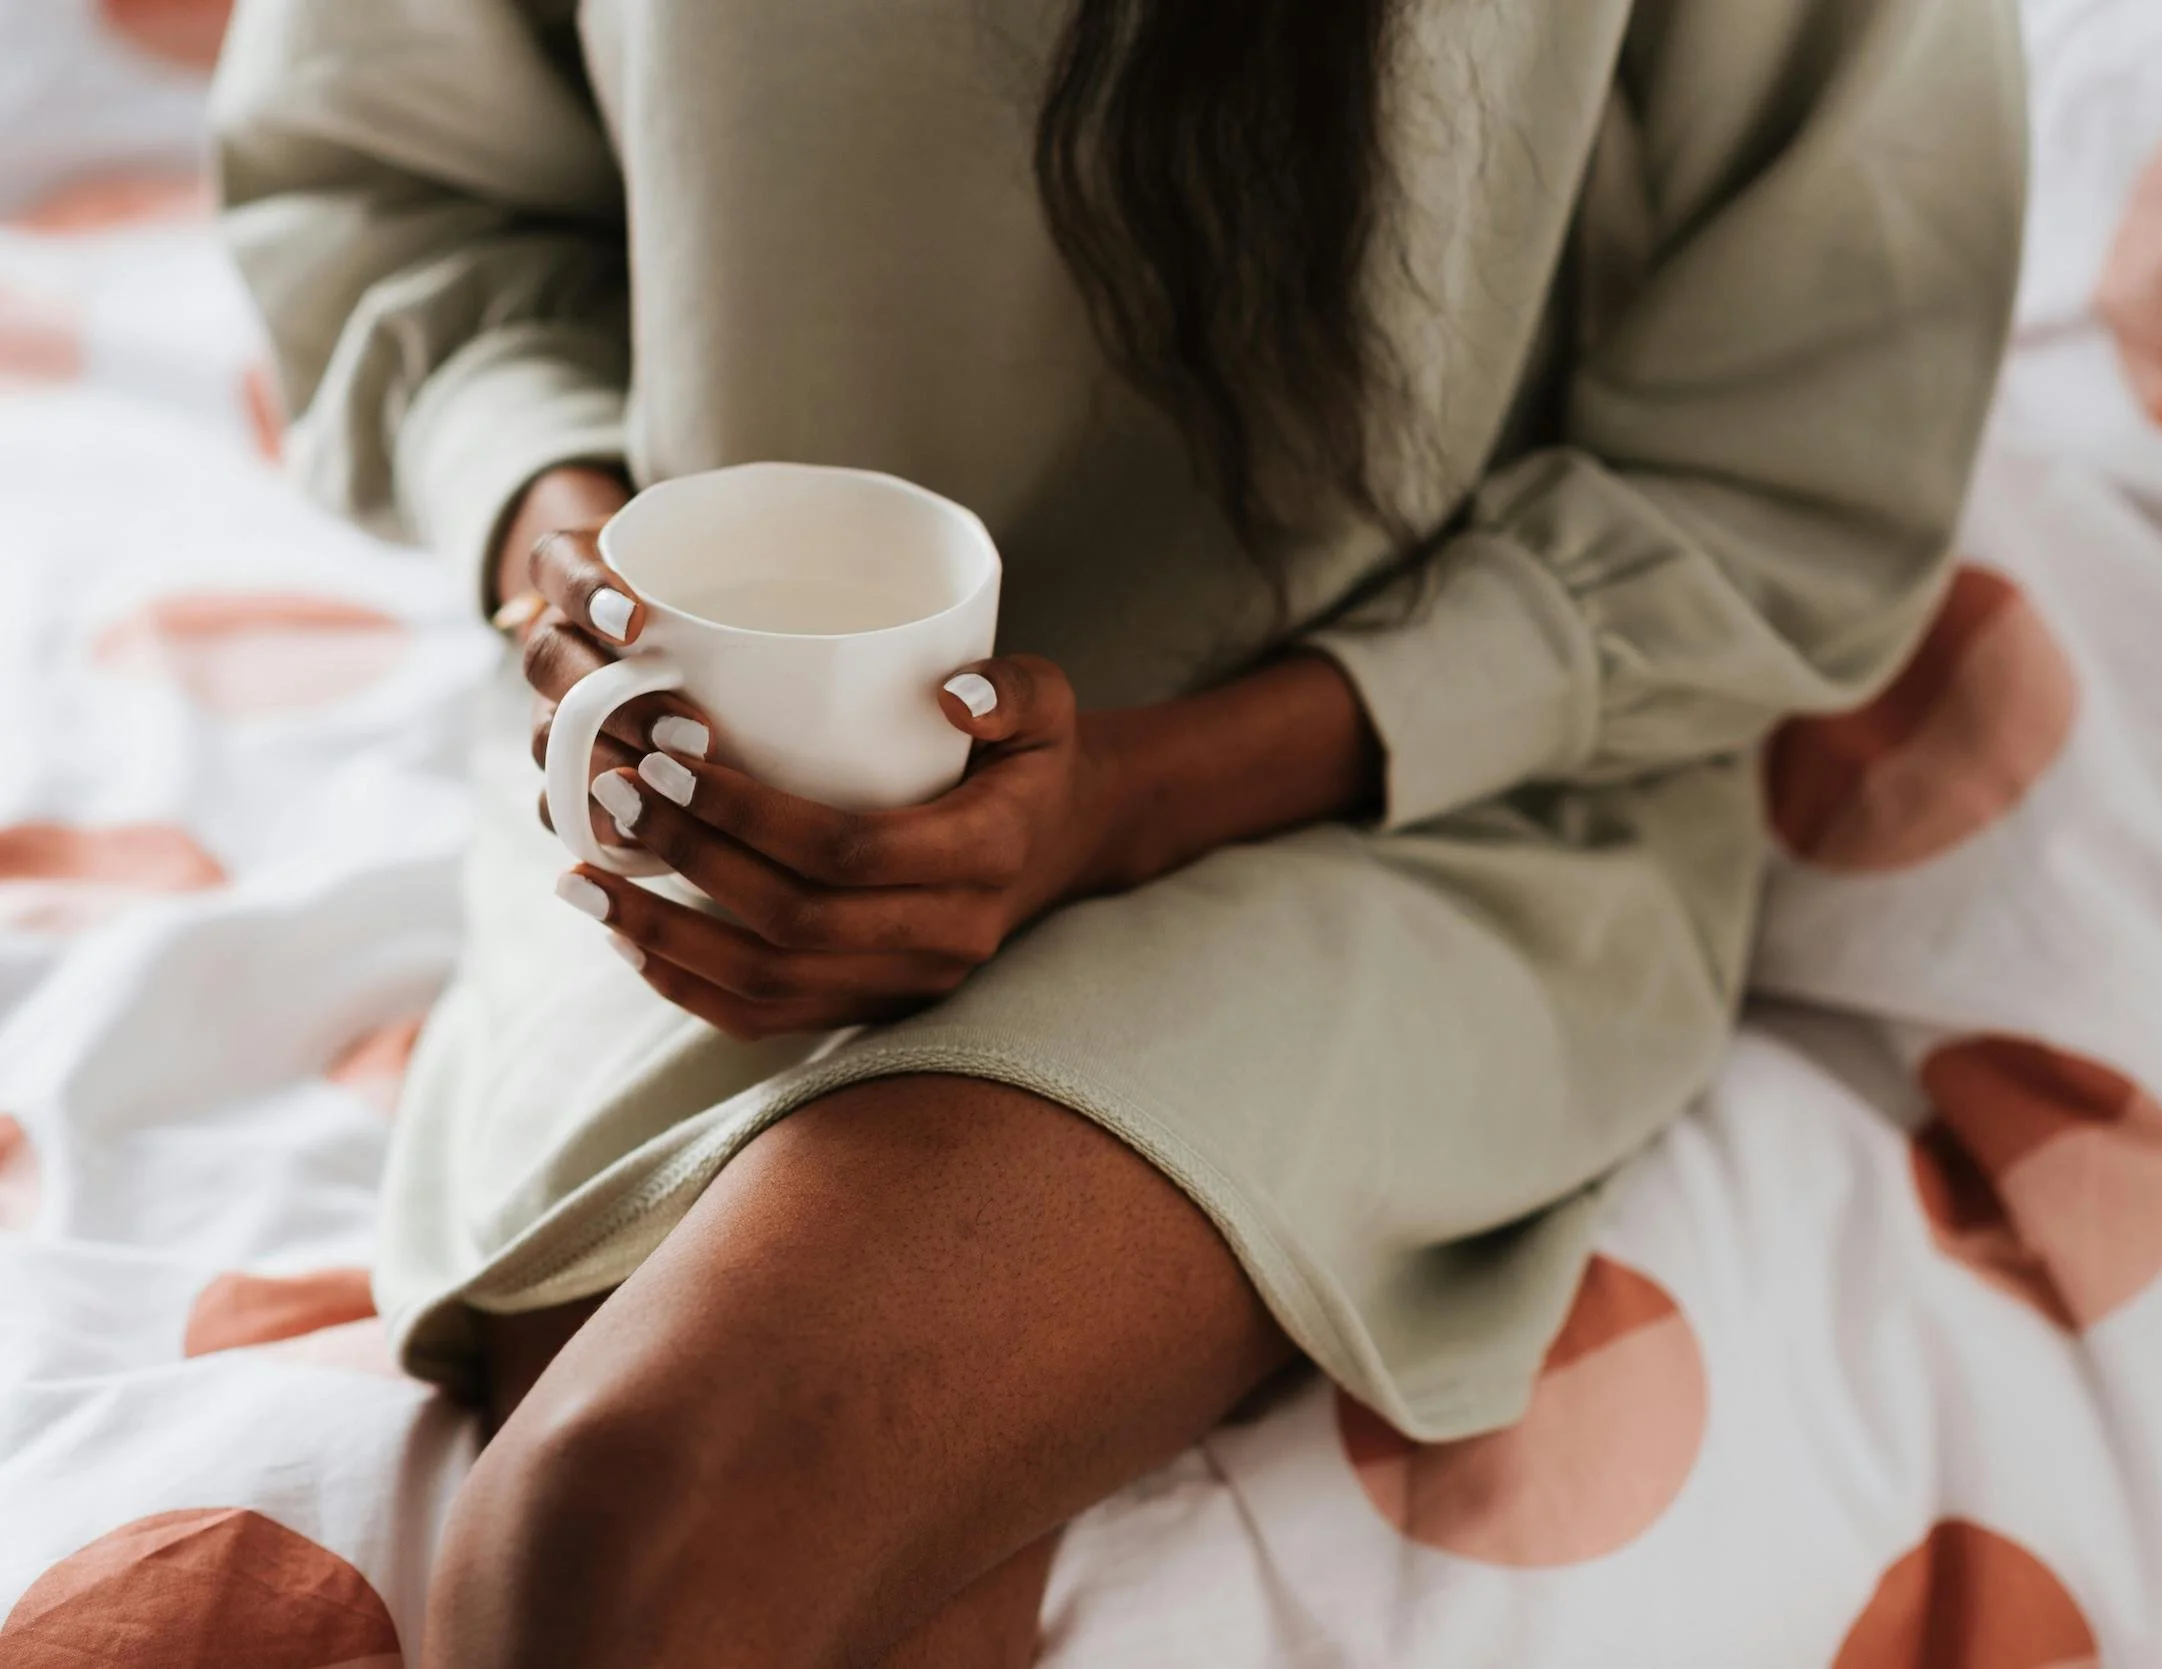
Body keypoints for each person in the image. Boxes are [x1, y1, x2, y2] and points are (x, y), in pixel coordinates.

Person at [215, 0, 2024, 1661]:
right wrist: (594, 582)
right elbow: (396, 191)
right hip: (707, 814)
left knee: (618, 1530)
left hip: (1402, 799)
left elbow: (1793, 458)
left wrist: (1137, 796)